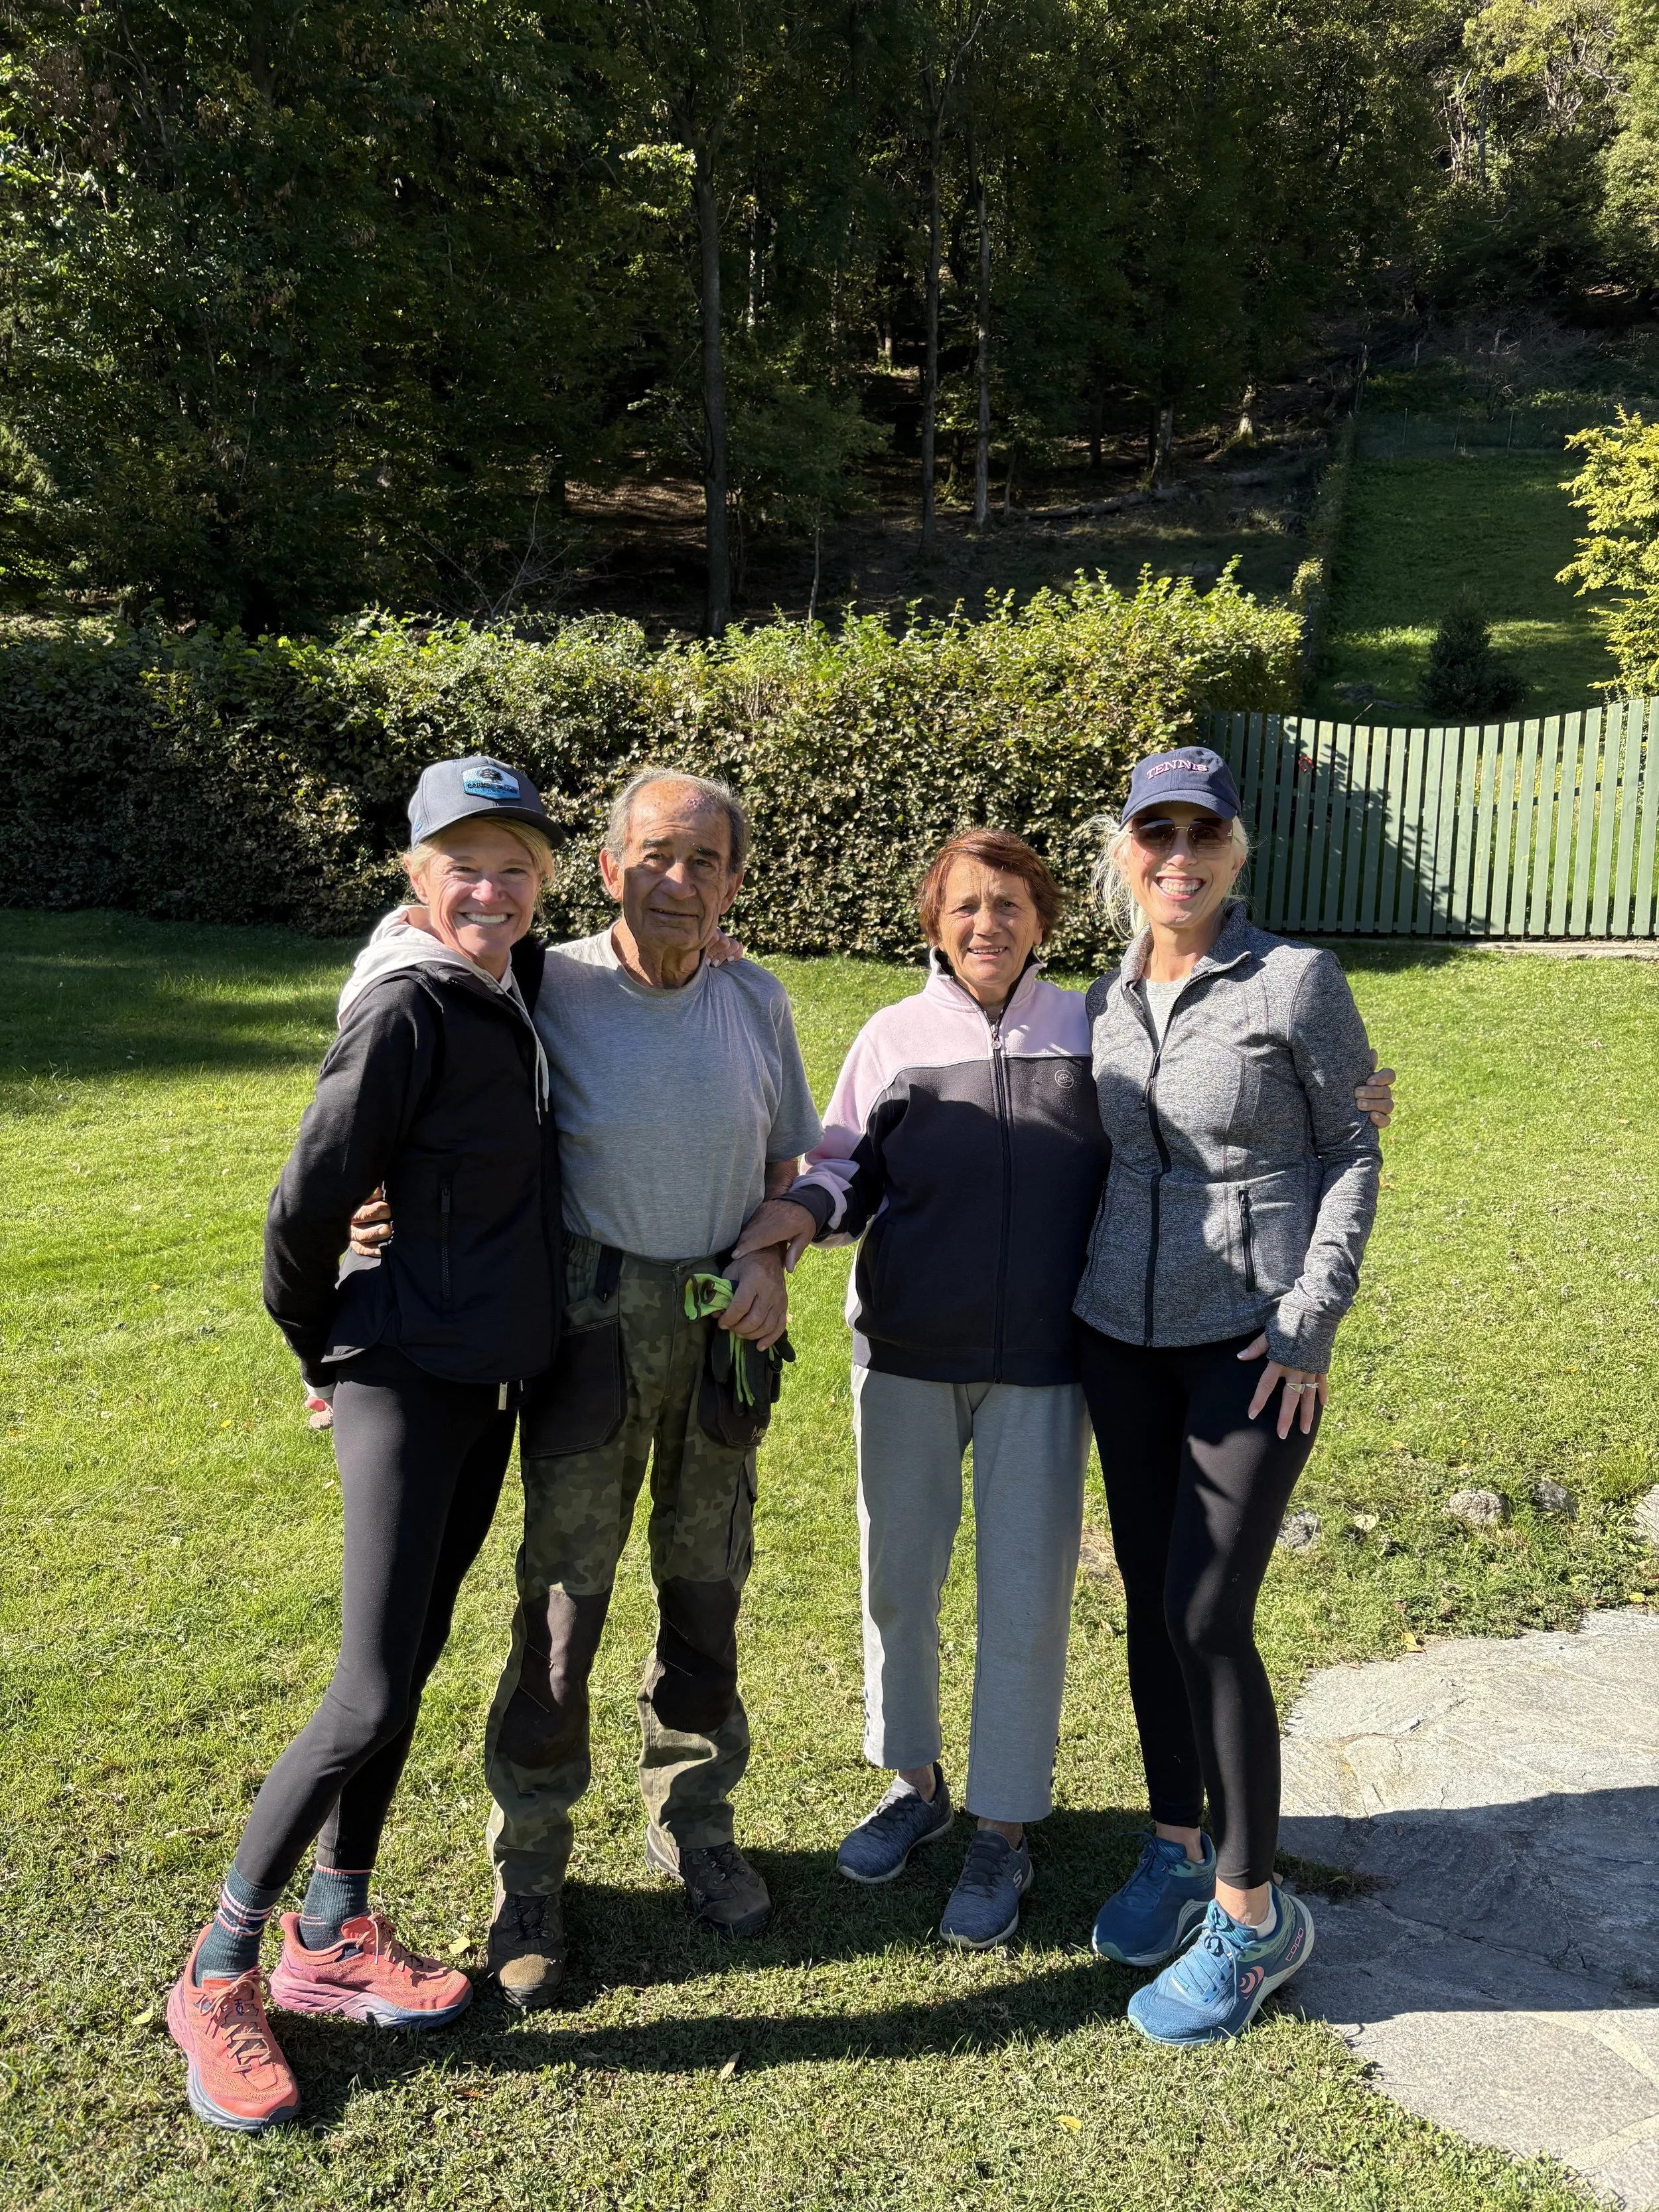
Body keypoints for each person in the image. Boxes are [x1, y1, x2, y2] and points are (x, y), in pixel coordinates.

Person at [730, 827, 1394, 1952]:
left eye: (1009, 904)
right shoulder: (891, 1035)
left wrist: (1347, 1103)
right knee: (900, 1584)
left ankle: (1003, 1826)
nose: (986, 925)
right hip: (904, 1356)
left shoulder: (1096, 1026)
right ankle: (913, 1783)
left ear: (1044, 918)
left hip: (1049, 1362)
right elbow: (847, 1167)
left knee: (1026, 1601)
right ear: (933, 924)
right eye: (963, 907)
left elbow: (1191, 1110)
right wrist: (793, 1218)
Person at [349, 768, 820, 2008]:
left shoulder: (757, 997)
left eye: (705, 862)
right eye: (656, 855)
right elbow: (412, 975)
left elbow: (789, 1162)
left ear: (734, 883)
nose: (680, 881)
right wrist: (368, 1205)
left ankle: (696, 1820)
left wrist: (772, 1254)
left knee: (708, 1592)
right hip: (586, 1329)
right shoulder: (540, 983)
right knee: (562, 1609)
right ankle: (531, 1870)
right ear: (608, 868)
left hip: (721, 1333)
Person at [167, 755, 564, 2132]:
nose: (490, 890)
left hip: (482, 1378)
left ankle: (333, 1934)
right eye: (462, 867)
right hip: (400, 1369)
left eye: (514, 867)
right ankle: (219, 1967)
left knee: (411, 1662)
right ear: (413, 874)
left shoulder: (506, 983)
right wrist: (320, 1342)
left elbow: (578, 969)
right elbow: (305, 1201)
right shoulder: (406, 1003)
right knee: (367, 1691)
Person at [1074, 743, 1381, 2047]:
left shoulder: (1294, 979)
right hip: (1116, 1333)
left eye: (1202, 835)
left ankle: (1253, 1918)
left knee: (1207, 1611)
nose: (1179, 858)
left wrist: (1309, 1318)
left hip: (1252, 1344)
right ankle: (1175, 1844)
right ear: (1127, 852)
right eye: (1157, 835)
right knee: (1153, 1605)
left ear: (1235, 850)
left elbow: (1351, 1145)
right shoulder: (1105, 993)